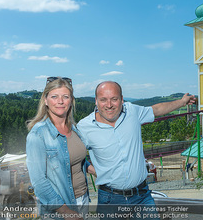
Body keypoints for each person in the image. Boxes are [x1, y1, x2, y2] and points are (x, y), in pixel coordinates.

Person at [77, 81, 196, 219]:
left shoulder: (132, 111)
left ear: (122, 100)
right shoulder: (84, 127)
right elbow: (73, 157)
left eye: (114, 99)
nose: (109, 105)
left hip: (142, 197)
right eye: (103, 100)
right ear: (96, 101)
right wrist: (94, 170)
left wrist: (182, 102)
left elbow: (156, 110)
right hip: (110, 200)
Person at [26, 77, 95, 220]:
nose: (60, 101)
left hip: (83, 200)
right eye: (54, 96)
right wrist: (64, 211)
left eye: (65, 96)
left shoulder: (74, 129)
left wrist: (94, 170)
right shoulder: (38, 134)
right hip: (60, 208)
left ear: (71, 101)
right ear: (45, 100)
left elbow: (73, 158)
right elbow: (38, 181)